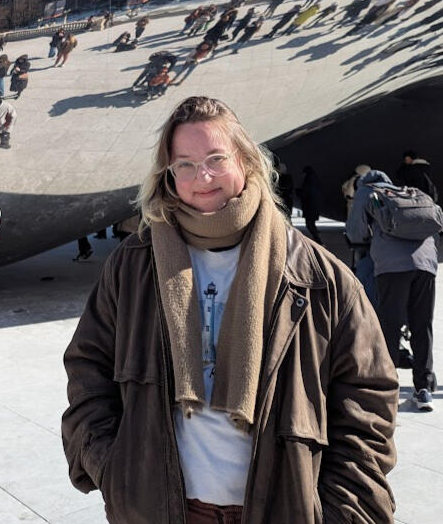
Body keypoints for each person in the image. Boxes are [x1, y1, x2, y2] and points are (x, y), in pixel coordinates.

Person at [62, 96, 398, 523]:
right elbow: (88, 367)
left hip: (282, 508)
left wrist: (339, 507)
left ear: (245, 160)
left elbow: (367, 398)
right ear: (167, 174)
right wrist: (113, 469)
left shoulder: (317, 275)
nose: (201, 176)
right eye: (184, 163)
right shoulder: (134, 265)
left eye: (215, 158)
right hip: (164, 509)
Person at [347, 169, 439, 411]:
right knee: (422, 325)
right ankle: (424, 389)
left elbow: (356, 232)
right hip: (426, 263)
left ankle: (387, 387)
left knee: (389, 325)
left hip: (392, 267)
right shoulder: (408, 193)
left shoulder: (366, 192)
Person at [295, 164, 323, 244]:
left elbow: (305, 193)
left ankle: (318, 241)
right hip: (314, 206)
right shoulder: (315, 180)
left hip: (309, 206)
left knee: (309, 224)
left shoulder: (308, 181)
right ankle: (317, 240)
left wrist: (298, 192)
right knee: (312, 224)